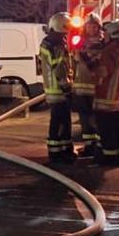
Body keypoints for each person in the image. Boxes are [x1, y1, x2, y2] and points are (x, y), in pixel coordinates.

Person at [93, 21, 119, 166]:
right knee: (117, 128)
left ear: (112, 34)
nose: (104, 36)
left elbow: (103, 72)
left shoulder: (109, 51)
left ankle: (108, 158)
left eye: (106, 34)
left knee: (105, 130)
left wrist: (90, 63)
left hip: (104, 96)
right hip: (115, 97)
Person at [40, 12, 76, 162]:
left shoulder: (47, 41)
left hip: (52, 88)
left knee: (60, 120)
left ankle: (63, 150)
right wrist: (67, 88)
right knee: (61, 121)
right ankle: (57, 154)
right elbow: (60, 69)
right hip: (59, 89)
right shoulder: (58, 44)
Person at [72, 13, 104, 157]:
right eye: (89, 26)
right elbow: (75, 57)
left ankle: (98, 145)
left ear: (99, 27)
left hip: (96, 85)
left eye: (94, 26)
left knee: (96, 117)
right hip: (81, 84)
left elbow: (100, 61)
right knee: (84, 117)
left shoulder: (103, 42)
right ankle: (89, 146)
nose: (92, 28)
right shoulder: (80, 41)